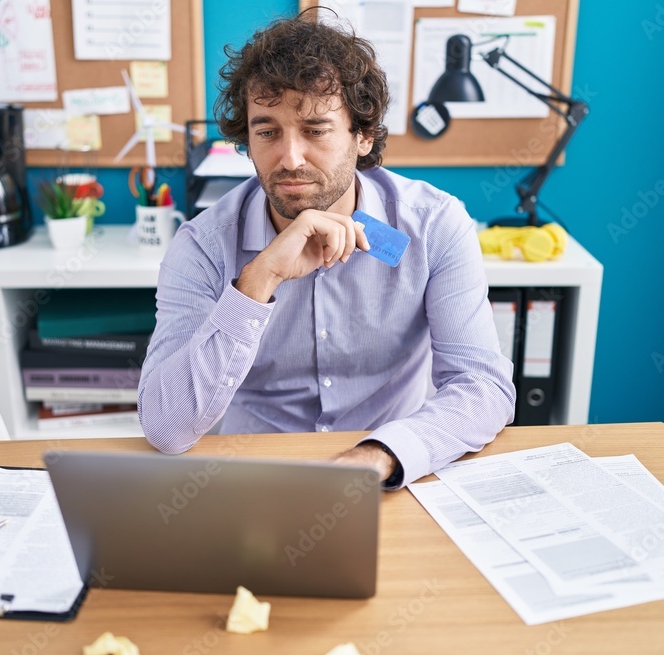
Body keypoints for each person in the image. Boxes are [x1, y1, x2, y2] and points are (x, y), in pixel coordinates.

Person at [138, 13, 515, 489]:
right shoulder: (203, 245)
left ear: (362, 136)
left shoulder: (434, 226)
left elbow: (484, 388)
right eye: (268, 131)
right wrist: (256, 283)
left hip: (388, 475)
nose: (289, 158)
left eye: (315, 129)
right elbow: (166, 428)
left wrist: (380, 454)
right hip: (254, 480)